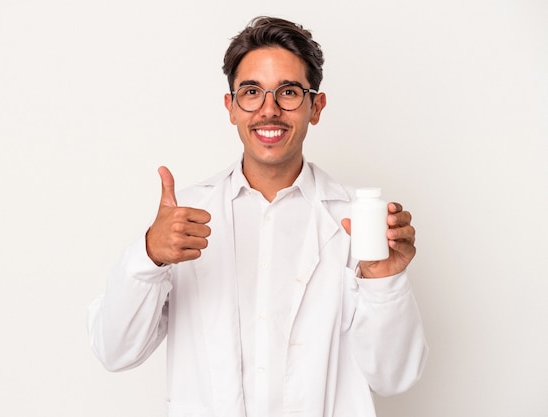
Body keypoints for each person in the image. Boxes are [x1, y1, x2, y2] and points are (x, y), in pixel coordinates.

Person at [87, 16, 428, 417]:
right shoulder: (185, 219)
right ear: (231, 108)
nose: (269, 110)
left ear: (315, 107)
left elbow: (394, 378)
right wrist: (148, 256)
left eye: (288, 92)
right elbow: (114, 351)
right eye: (251, 92)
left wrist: (384, 283)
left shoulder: (358, 223)